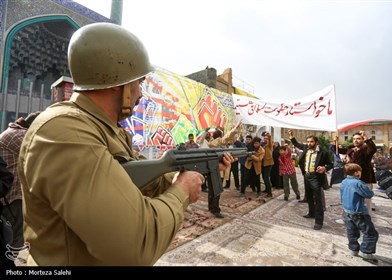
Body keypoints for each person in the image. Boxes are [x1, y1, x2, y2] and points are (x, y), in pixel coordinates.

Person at [18, 22, 234, 266]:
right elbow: (135, 243)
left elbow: (140, 182)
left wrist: (192, 171)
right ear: (121, 84)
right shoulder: (65, 132)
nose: (140, 94)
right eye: (138, 84)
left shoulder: (107, 130)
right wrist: (182, 190)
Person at [0, 112, 41, 252]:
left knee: (12, 239)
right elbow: (42, 155)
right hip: (12, 197)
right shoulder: (19, 136)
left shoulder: (14, 132)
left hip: (10, 195)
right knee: (14, 240)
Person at [289, 130, 332, 230]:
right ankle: (311, 213)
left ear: (316, 142)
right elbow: (296, 144)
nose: (309, 143)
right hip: (306, 176)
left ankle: (319, 222)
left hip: (316, 177)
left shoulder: (323, 153)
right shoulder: (305, 148)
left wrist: (324, 168)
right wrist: (291, 136)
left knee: (317, 199)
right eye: (308, 141)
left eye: (311, 141)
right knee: (309, 196)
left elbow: (331, 164)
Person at [340, 163, 379, 263]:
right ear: (356, 173)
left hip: (347, 211)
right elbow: (369, 194)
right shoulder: (358, 183)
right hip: (359, 212)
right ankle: (366, 252)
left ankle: (353, 249)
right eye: (360, 172)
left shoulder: (344, 182)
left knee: (352, 231)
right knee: (371, 233)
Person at [336, 131, 377, 213]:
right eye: (354, 139)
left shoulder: (366, 149)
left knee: (365, 201)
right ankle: (352, 217)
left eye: (358, 139)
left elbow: (373, 149)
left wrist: (367, 138)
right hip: (350, 179)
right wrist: (335, 142)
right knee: (351, 199)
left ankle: (366, 220)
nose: (355, 140)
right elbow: (338, 150)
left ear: (362, 140)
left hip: (364, 178)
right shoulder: (350, 149)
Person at [207, 122, 241, 218]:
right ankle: (215, 209)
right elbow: (226, 138)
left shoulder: (213, 143)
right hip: (216, 169)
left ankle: (211, 207)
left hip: (213, 168)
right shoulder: (216, 142)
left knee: (212, 189)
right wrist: (234, 128)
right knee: (216, 190)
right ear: (219, 136)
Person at [261, 131, 274, 197]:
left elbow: (270, 140)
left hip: (268, 163)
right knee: (264, 177)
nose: (265, 139)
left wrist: (269, 136)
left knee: (266, 177)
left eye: (267, 138)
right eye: (264, 138)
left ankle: (270, 193)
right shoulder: (263, 145)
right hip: (263, 163)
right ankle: (266, 189)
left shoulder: (270, 145)